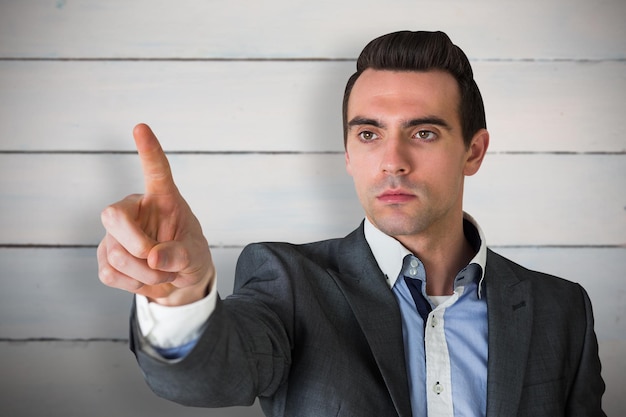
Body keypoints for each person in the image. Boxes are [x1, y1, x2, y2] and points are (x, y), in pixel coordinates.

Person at [97, 31, 606, 416]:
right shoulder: (290, 282)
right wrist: (180, 298)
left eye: (423, 133)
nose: (392, 161)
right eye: (368, 134)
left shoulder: (561, 310)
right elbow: (208, 379)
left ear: (473, 151)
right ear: (347, 152)